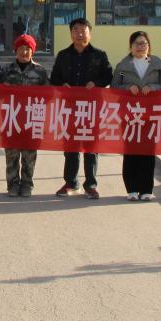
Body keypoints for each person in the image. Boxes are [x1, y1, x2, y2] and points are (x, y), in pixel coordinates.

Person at [0, 33, 48, 197]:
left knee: (29, 156)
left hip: (32, 120)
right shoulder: (7, 70)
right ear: (15, 50)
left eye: (27, 49)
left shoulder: (40, 72)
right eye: (21, 48)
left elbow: (49, 95)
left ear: (32, 51)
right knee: (11, 155)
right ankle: (12, 185)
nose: (24, 52)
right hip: (11, 119)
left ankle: (27, 185)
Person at [50, 17, 113, 199]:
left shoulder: (99, 55)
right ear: (71, 34)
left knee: (91, 147)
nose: (79, 34)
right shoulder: (63, 55)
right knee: (70, 146)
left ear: (89, 34)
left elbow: (109, 75)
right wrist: (62, 84)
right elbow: (54, 77)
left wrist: (97, 83)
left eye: (83, 31)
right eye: (76, 31)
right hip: (69, 108)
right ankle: (71, 183)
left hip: (91, 108)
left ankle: (90, 184)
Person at [112, 30, 161, 201]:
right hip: (130, 114)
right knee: (131, 151)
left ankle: (146, 189)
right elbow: (115, 86)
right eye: (137, 43)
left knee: (148, 151)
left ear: (149, 46)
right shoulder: (124, 66)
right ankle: (132, 189)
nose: (140, 46)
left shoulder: (157, 64)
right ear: (131, 46)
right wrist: (128, 87)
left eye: (144, 43)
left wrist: (153, 87)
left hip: (151, 114)